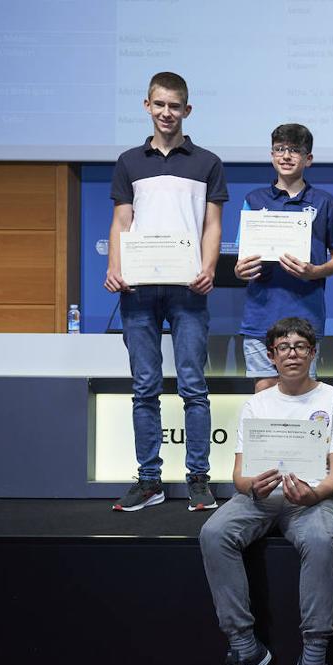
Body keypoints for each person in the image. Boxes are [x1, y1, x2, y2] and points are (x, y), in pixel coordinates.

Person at [200, 317, 333, 665]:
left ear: (313, 353)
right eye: (283, 348)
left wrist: (315, 494)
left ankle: (314, 662)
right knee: (214, 533)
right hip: (262, 497)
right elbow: (239, 475)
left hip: (313, 498)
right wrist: (252, 486)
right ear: (271, 356)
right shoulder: (257, 403)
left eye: (300, 346)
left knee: (320, 540)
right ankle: (244, 648)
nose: (292, 354)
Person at [106, 71, 228, 512]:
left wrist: (209, 268)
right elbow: (121, 221)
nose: (166, 112)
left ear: (187, 110)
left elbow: (212, 225)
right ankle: (149, 480)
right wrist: (114, 267)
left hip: (188, 290)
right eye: (159, 104)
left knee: (194, 386)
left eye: (174, 106)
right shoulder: (128, 161)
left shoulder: (207, 162)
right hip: (137, 290)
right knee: (144, 388)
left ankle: (198, 479)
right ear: (147, 106)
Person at [234, 123, 333, 392]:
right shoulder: (254, 199)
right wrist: (239, 271)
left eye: (294, 150)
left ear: (308, 159)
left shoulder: (324, 201)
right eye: (279, 149)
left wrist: (314, 272)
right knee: (265, 389)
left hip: (306, 315)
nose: (286, 156)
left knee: (301, 392)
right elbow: (240, 260)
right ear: (272, 155)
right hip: (261, 315)